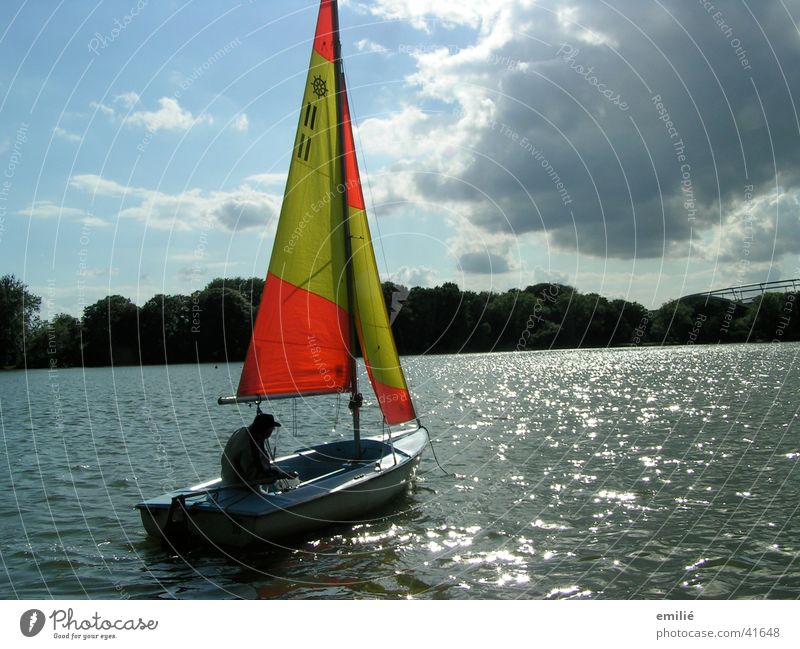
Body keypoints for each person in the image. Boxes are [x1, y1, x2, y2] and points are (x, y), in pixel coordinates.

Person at [220, 412, 297, 488]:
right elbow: (256, 477)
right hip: (239, 487)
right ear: (265, 430)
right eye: (272, 429)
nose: (272, 431)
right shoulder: (250, 445)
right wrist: (283, 475)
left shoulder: (243, 432)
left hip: (227, 480)